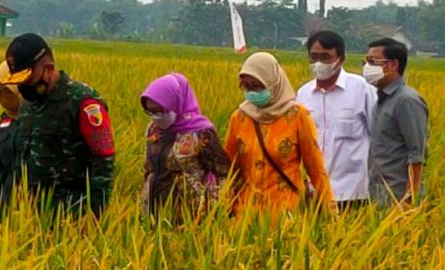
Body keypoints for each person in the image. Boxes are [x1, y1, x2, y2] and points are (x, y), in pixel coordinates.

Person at [0, 33, 115, 216]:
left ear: (48, 69)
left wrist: (95, 214)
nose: (24, 86)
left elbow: (103, 161)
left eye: (28, 79)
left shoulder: (83, 102)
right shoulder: (28, 104)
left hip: (71, 212)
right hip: (31, 212)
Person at [223, 52, 334, 216]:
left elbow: (316, 168)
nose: (252, 92)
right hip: (244, 215)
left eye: (258, 86)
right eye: (247, 87)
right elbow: (228, 169)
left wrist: (331, 213)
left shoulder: (297, 116)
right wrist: (221, 209)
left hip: (285, 215)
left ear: (273, 83)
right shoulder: (239, 118)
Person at [295, 30, 377, 208]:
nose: (319, 63)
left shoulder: (361, 89)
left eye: (326, 57)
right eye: (314, 57)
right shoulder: (303, 94)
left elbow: (379, 137)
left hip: (353, 192)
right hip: (313, 193)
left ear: (340, 59)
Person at [140, 73, 231, 222]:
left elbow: (222, 173)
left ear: (176, 104)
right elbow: (148, 168)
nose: (155, 117)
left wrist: (217, 213)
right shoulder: (153, 130)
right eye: (150, 112)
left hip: (190, 215)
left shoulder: (201, 133)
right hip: (153, 209)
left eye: (159, 111)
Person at [363, 38, 429, 206]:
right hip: (379, 195)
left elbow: (417, 154)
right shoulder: (382, 99)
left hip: (398, 198)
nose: (366, 67)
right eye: (366, 61)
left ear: (393, 65)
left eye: (372, 62)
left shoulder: (406, 100)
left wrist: (408, 200)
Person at [0, 61, 22, 218]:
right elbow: (1, 168)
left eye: (7, 91)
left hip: (29, 203)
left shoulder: (39, 120)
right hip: (6, 198)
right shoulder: (4, 121)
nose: (3, 97)